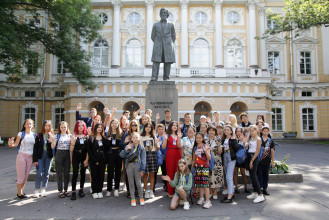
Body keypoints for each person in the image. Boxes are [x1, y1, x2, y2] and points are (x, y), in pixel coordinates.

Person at [8, 119, 36, 199]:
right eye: (27, 124)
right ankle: (19, 194)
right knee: (21, 176)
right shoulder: (21, 134)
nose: (29, 125)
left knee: (26, 176)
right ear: (24, 125)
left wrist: (35, 159)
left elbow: (35, 148)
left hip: (30, 157)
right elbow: (16, 144)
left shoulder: (34, 135)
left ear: (32, 125)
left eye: (30, 124)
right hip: (21, 156)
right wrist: (11, 144)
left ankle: (21, 192)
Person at [120, 132, 146, 207]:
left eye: (137, 137)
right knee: (131, 183)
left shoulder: (141, 148)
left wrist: (142, 170)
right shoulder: (129, 146)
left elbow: (143, 160)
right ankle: (133, 199)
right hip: (129, 166)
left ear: (139, 139)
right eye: (134, 137)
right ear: (131, 139)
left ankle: (141, 198)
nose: (135, 139)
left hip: (137, 166)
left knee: (138, 183)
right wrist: (126, 149)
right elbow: (121, 155)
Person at [151, 8, 176, 81]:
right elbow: (152, 36)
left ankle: (166, 77)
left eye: (165, 13)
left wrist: (169, 43)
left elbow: (173, 36)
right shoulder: (155, 25)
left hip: (168, 45)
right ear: (160, 15)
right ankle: (154, 77)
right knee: (156, 61)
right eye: (162, 13)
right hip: (158, 45)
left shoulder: (171, 25)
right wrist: (157, 42)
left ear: (167, 15)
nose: (163, 14)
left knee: (167, 61)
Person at [87, 123, 110, 199]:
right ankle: (94, 191)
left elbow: (106, 149)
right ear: (95, 128)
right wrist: (94, 160)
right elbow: (89, 150)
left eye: (101, 127)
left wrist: (108, 141)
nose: (100, 128)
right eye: (98, 127)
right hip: (94, 159)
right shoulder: (91, 138)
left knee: (101, 175)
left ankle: (99, 190)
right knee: (94, 175)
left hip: (102, 159)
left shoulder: (104, 138)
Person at [32, 120, 54, 198]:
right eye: (46, 125)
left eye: (49, 126)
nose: (47, 127)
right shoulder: (39, 135)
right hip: (40, 156)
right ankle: (36, 190)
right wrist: (35, 160)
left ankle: (43, 188)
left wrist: (52, 140)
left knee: (46, 173)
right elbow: (35, 148)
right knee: (39, 172)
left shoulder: (51, 135)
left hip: (48, 155)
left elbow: (53, 148)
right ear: (43, 126)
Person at [50, 121, 71, 198]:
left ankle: (66, 190)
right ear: (59, 128)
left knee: (67, 172)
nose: (63, 128)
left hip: (67, 154)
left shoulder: (70, 136)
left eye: (64, 127)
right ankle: (60, 190)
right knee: (59, 172)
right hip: (59, 153)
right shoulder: (57, 136)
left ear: (67, 127)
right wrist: (52, 141)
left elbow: (71, 146)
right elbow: (52, 147)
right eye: (62, 127)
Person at [245, 125, 265, 203]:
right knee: (252, 175)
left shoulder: (258, 139)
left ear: (256, 130)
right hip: (249, 155)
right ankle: (255, 192)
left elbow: (257, 151)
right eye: (250, 130)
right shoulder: (251, 138)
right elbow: (247, 147)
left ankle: (260, 195)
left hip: (254, 157)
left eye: (253, 130)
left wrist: (252, 160)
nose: (251, 132)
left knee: (254, 175)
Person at [162, 121, 182, 197]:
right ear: (170, 126)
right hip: (170, 153)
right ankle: (170, 192)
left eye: (176, 125)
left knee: (178, 171)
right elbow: (163, 147)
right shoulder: (167, 135)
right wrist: (165, 139)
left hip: (177, 153)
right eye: (173, 125)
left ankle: (178, 191)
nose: (175, 126)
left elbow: (179, 146)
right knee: (170, 172)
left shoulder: (178, 135)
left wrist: (179, 137)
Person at [192, 132, 212, 209]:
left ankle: (208, 201)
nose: (198, 139)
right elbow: (194, 159)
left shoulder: (206, 146)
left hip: (204, 167)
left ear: (203, 138)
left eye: (200, 138)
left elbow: (209, 158)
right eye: (197, 138)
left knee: (205, 183)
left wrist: (206, 151)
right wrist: (192, 168)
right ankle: (201, 198)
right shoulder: (195, 147)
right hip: (197, 167)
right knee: (199, 183)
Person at [70, 120, 89, 200]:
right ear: (76, 127)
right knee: (75, 174)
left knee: (83, 174)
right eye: (79, 125)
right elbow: (71, 149)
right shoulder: (74, 135)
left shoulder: (86, 136)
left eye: (82, 125)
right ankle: (73, 191)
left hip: (84, 156)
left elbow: (88, 150)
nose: (81, 127)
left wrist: (86, 160)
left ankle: (81, 190)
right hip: (76, 156)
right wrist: (73, 142)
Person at [140, 122, 159, 198]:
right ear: (144, 128)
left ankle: (151, 190)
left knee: (152, 174)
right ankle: (146, 190)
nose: (148, 128)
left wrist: (157, 144)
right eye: (147, 127)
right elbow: (140, 149)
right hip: (144, 155)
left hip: (152, 155)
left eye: (150, 127)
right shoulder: (141, 137)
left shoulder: (153, 137)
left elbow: (157, 148)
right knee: (145, 175)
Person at [220, 125, 239, 203]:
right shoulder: (224, 139)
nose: (226, 131)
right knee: (228, 176)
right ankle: (231, 192)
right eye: (225, 130)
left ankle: (229, 196)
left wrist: (229, 148)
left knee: (228, 176)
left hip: (231, 158)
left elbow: (236, 149)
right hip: (225, 158)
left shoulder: (233, 139)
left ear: (231, 131)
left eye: (228, 130)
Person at [106, 119, 124, 198]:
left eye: (116, 123)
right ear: (110, 124)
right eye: (113, 123)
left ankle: (116, 189)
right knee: (110, 172)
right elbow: (105, 146)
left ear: (118, 125)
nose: (114, 125)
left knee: (118, 172)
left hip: (118, 154)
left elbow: (122, 145)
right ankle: (109, 189)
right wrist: (108, 141)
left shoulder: (121, 134)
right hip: (110, 154)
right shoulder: (107, 134)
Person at [123, 120, 140, 198]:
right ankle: (129, 191)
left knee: (136, 175)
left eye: (135, 125)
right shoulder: (126, 134)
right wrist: (125, 142)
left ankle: (137, 190)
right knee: (129, 175)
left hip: (137, 158)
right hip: (128, 158)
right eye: (132, 125)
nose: (134, 127)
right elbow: (121, 146)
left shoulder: (139, 134)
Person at [258, 126, 275, 196]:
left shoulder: (270, 141)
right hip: (260, 160)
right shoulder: (259, 140)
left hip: (267, 160)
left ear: (268, 132)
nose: (265, 132)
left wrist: (272, 161)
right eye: (264, 131)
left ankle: (265, 188)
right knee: (260, 174)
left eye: (267, 131)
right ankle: (260, 187)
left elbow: (272, 151)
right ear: (262, 131)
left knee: (266, 175)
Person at [207, 126, 223, 200]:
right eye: (210, 130)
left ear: (215, 132)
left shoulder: (218, 139)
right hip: (208, 160)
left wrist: (219, 144)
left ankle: (215, 191)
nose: (211, 132)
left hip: (217, 160)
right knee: (209, 175)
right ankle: (210, 191)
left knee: (216, 176)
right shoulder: (205, 140)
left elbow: (220, 152)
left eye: (213, 130)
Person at [233, 127, 250, 194]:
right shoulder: (233, 139)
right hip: (235, 158)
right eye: (237, 131)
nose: (238, 132)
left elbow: (245, 148)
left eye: (240, 131)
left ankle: (246, 187)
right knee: (235, 173)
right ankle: (236, 187)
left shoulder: (244, 139)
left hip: (242, 158)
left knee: (243, 173)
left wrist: (243, 142)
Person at [156, 124, 167, 191]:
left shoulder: (165, 137)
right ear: (157, 130)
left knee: (164, 172)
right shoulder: (155, 137)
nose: (161, 131)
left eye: (162, 129)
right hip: (156, 157)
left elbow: (166, 147)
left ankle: (165, 185)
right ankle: (153, 186)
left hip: (164, 157)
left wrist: (164, 155)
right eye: (159, 129)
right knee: (155, 172)